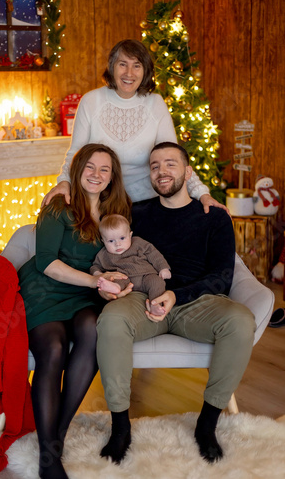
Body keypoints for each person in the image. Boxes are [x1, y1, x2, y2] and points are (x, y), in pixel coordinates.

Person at [96, 142, 256, 465]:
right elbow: (111, 252)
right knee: (111, 320)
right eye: (155, 166)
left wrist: (175, 296)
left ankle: (207, 424)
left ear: (188, 171)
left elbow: (223, 277)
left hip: (195, 302)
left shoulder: (214, 218)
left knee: (240, 321)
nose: (162, 171)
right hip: (142, 297)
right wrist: (108, 285)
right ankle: (120, 426)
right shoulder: (137, 214)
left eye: (170, 164)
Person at [18, 143, 131, 479]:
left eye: (104, 170)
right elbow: (47, 262)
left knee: (94, 332)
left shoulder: (117, 213)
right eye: (90, 168)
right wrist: (95, 283)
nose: (96, 175)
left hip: (84, 294)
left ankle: (54, 440)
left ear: (112, 178)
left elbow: (120, 258)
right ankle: (49, 459)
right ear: (78, 170)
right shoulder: (59, 207)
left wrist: (115, 281)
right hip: (46, 289)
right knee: (52, 350)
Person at [42, 39, 226, 214]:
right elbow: (75, 154)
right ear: (112, 67)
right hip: (101, 202)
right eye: (123, 64)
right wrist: (64, 182)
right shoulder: (91, 101)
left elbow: (173, 158)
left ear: (145, 71)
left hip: (149, 203)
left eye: (136, 65)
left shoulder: (156, 103)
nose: (129, 73)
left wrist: (202, 193)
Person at [90, 214, 171, 316]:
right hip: (123, 278)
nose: (117, 244)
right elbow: (95, 266)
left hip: (145, 276)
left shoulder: (138, 243)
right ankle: (114, 287)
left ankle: (155, 305)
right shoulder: (103, 254)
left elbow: (154, 254)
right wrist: (97, 273)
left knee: (157, 282)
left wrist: (163, 268)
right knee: (116, 279)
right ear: (103, 241)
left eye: (122, 238)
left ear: (130, 235)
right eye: (111, 241)